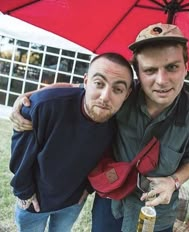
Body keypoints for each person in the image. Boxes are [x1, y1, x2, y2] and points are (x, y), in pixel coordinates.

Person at [10, 23, 189, 232]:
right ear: (138, 74)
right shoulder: (121, 94)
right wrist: (30, 98)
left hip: (156, 214)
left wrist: (174, 181)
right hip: (110, 203)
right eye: (150, 70)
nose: (161, 81)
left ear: (186, 67)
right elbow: (84, 89)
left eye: (172, 67)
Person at [9, 52, 133, 232]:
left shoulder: (118, 122)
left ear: (127, 94)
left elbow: (105, 157)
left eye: (118, 89)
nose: (105, 96)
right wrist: (23, 191)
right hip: (35, 200)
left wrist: (88, 189)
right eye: (99, 83)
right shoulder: (44, 106)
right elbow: (20, 153)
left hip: (72, 202)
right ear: (85, 82)